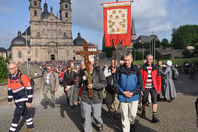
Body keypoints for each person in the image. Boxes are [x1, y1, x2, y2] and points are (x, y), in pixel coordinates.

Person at [73, 56, 107, 132]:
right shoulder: (82, 72)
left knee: (96, 116)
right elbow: (77, 86)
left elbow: (104, 83)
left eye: (88, 63)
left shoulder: (99, 72)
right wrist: (75, 99)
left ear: (92, 63)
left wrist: (94, 85)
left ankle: (99, 123)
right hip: (85, 97)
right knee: (86, 117)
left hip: (96, 97)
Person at [116, 53, 143, 132]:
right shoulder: (119, 70)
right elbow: (115, 83)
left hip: (133, 96)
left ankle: (132, 123)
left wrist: (133, 93)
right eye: (125, 60)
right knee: (124, 116)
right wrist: (122, 92)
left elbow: (140, 84)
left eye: (128, 60)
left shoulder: (136, 70)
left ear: (131, 60)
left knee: (133, 115)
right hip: (123, 96)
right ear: (123, 60)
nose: (127, 62)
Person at [8, 62, 34, 132]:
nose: (10, 70)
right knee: (25, 113)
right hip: (16, 100)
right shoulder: (10, 78)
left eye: (12, 69)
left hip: (23, 99)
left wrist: (30, 101)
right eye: (9, 69)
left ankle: (12, 130)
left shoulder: (23, 77)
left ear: (16, 68)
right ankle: (30, 126)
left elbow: (29, 89)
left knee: (16, 114)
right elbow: (10, 89)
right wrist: (9, 100)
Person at [141, 54, 161, 123]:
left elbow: (158, 79)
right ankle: (143, 111)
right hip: (145, 87)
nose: (149, 60)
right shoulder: (142, 68)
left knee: (154, 100)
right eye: (148, 59)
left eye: (150, 59)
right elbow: (140, 79)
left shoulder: (155, 68)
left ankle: (154, 116)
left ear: (152, 60)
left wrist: (158, 89)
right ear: (146, 60)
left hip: (153, 87)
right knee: (144, 100)